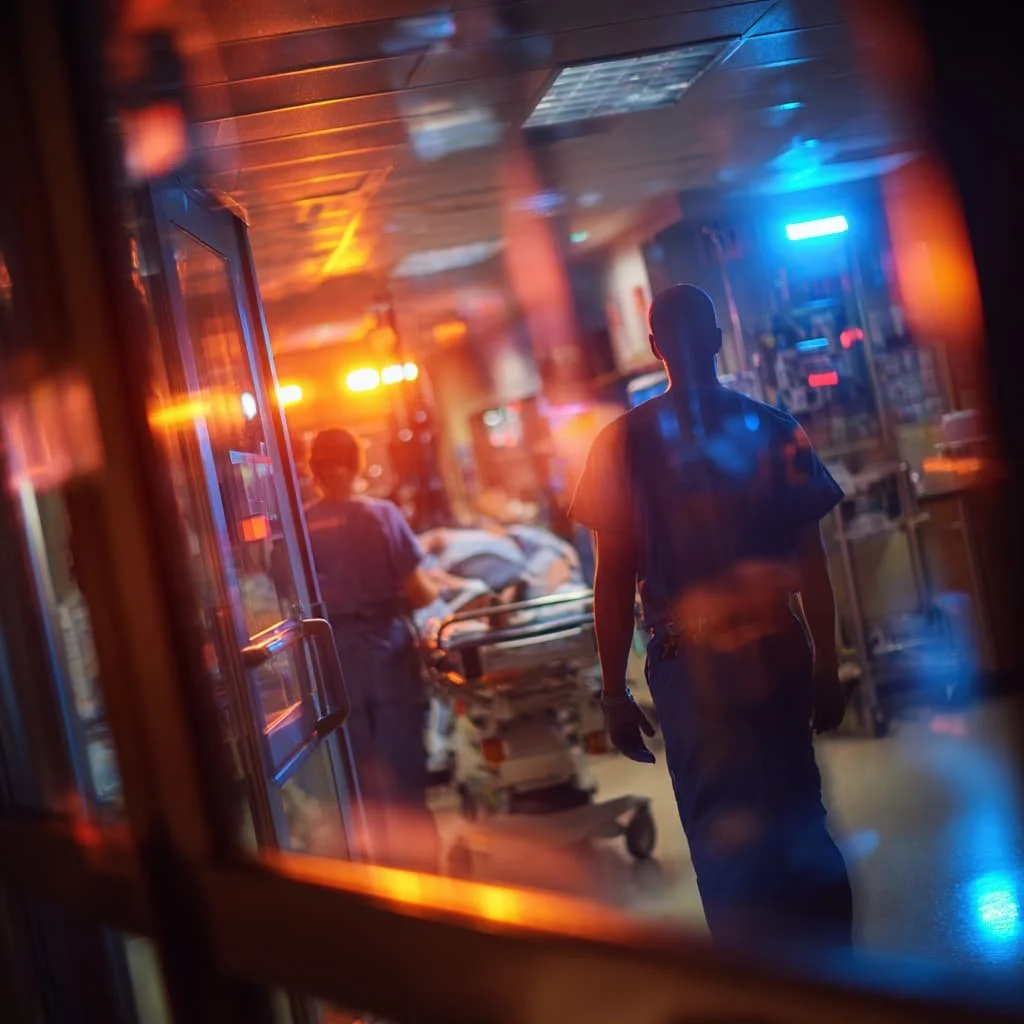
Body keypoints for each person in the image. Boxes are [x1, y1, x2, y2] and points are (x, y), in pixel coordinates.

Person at [570, 284, 852, 949]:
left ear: (654, 348)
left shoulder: (620, 446)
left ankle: (756, 988)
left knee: (721, 832)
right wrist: (828, 668)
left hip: (687, 665)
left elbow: (611, 582)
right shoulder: (773, 428)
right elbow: (813, 567)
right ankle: (840, 982)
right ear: (720, 336)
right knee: (796, 813)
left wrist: (614, 692)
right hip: (776, 648)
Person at [305, 428, 439, 869]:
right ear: (358, 462)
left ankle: (375, 870)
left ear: (313, 469)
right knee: (402, 758)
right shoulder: (381, 515)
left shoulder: (299, 526)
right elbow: (419, 593)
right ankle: (422, 867)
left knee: (353, 760)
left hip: (332, 659)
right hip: (386, 652)